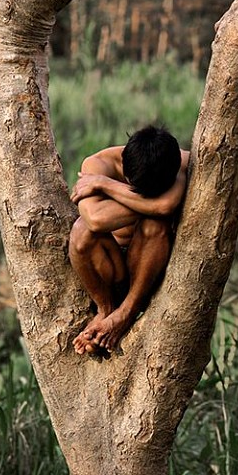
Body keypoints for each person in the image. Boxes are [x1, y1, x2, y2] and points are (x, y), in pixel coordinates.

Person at [69, 125, 189, 355]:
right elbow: (95, 220)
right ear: (125, 168)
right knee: (81, 230)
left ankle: (125, 314)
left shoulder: (180, 162)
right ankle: (106, 311)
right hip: (108, 269)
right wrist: (152, 205)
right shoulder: (97, 164)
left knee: (155, 223)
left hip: (149, 272)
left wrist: (104, 185)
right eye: (137, 188)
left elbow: (165, 207)